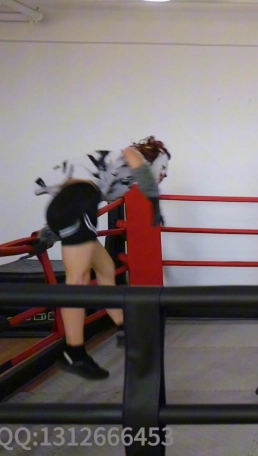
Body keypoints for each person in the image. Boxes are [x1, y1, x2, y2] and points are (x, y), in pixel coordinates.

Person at [31, 136, 170, 380]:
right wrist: (152, 198)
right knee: (78, 279)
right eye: (163, 168)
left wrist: (48, 234)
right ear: (153, 161)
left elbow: (67, 202)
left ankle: (124, 326)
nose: (165, 174)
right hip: (79, 203)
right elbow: (132, 156)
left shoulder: (117, 176)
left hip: (72, 206)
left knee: (105, 267)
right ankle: (74, 353)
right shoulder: (129, 155)